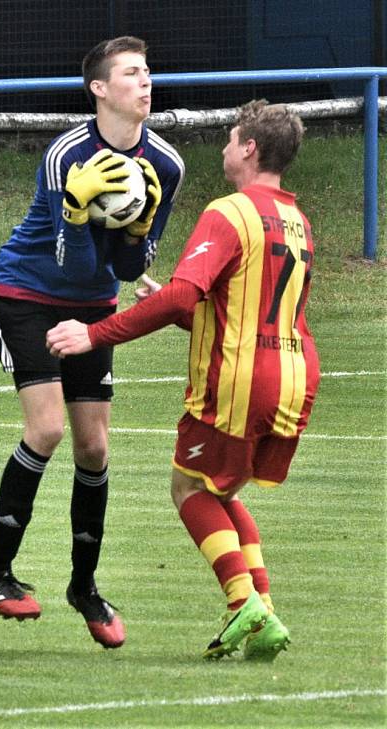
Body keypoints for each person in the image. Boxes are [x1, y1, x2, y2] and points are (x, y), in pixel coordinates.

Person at [46, 100, 318, 660]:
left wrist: (95, 335)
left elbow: (183, 293)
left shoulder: (230, 211)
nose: (223, 147)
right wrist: (175, 307)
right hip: (293, 372)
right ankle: (261, 609)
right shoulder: (297, 220)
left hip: (240, 379)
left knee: (189, 488)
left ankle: (244, 600)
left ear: (249, 148)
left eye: (231, 137)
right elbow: (240, 308)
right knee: (221, 489)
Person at [0, 36, 185, 649]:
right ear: (99, 89)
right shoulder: (66, 153)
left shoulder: (165, 165)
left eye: (148, 72)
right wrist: (73, 208)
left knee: (94, 447)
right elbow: (64, 263)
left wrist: (139, 227)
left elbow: (125, 269)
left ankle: (84, 588)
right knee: (47, 432)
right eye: (131, 73)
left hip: (92, 305)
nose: (145, 83)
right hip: (26, 295)